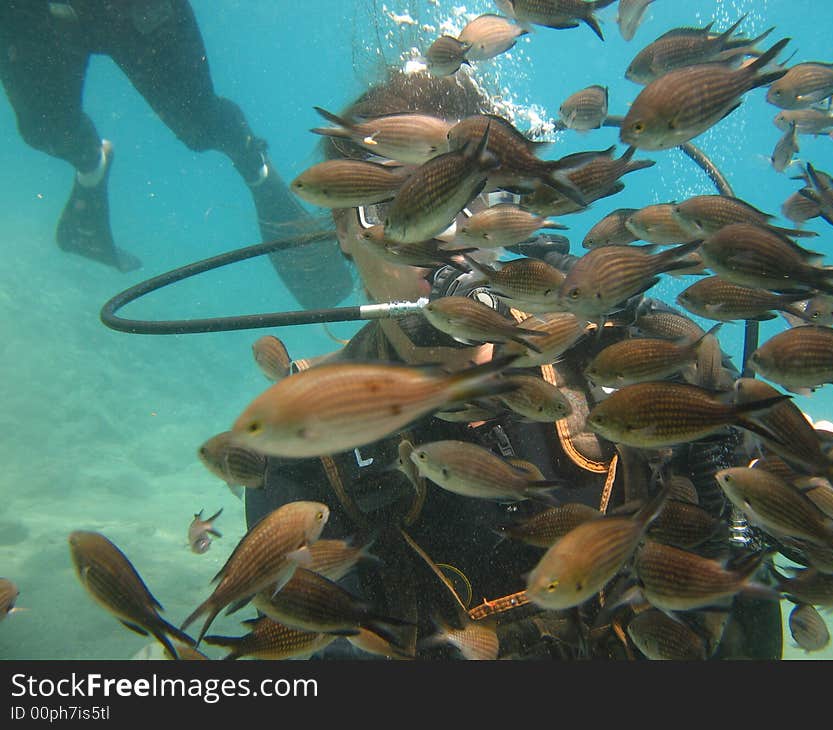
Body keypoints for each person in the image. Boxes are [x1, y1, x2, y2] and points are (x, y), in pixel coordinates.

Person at [241, 67, 784, 661]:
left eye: (470, 199)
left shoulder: (615, 355)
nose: (440, 234)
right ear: (343, 226)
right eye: (395, 203)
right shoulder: (296, 435)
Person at [0, 0, 352, 309]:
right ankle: (91, 167)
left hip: (130, 10)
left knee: (199, 126)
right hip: (33, 10)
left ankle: (254, 167)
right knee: (45, 131)